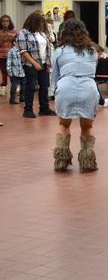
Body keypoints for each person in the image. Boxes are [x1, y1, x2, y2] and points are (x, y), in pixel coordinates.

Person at [51, 19, 99, 173]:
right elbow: (93, 71)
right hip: (88, 87)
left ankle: (61, 161)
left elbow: (55, 75)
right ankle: (87, 162)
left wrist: (54, 92)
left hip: (65, 86)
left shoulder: (59, 51)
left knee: (64, 124)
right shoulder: (92, 50)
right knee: (87, 125)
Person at [16, 12, 57, 118]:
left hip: (43, 64)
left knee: (44, 86)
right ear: (34, 22)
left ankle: (44, 108)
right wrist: (34, 63)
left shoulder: (42, 34)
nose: (42, 25)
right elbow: (23, 51)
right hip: (30, 65)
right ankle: (28, 109)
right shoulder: (23, 33)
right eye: (40, 23)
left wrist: (47, 65)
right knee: (30, 87)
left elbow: (47, 49)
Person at [0, 14, 18, 98]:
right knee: (4, 72)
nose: (5, 23)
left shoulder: (14, 31)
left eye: (7, 21)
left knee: (14, 72)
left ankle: (15, 87)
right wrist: (2, 37)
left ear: (9, 22)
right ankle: (3, 87)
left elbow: (18, 44)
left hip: (12, 56)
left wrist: (13, 38)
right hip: (2, 55)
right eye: (3, 21)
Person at [6, 39, 26, 105]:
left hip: (23, 72)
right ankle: (12, 98)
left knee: (24, 85)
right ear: (14, 43)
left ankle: (22, 97)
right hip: (15, 72)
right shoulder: (11, 51)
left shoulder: (23, 51)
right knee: (14, 85)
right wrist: (9, 72)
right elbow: (9, 62)